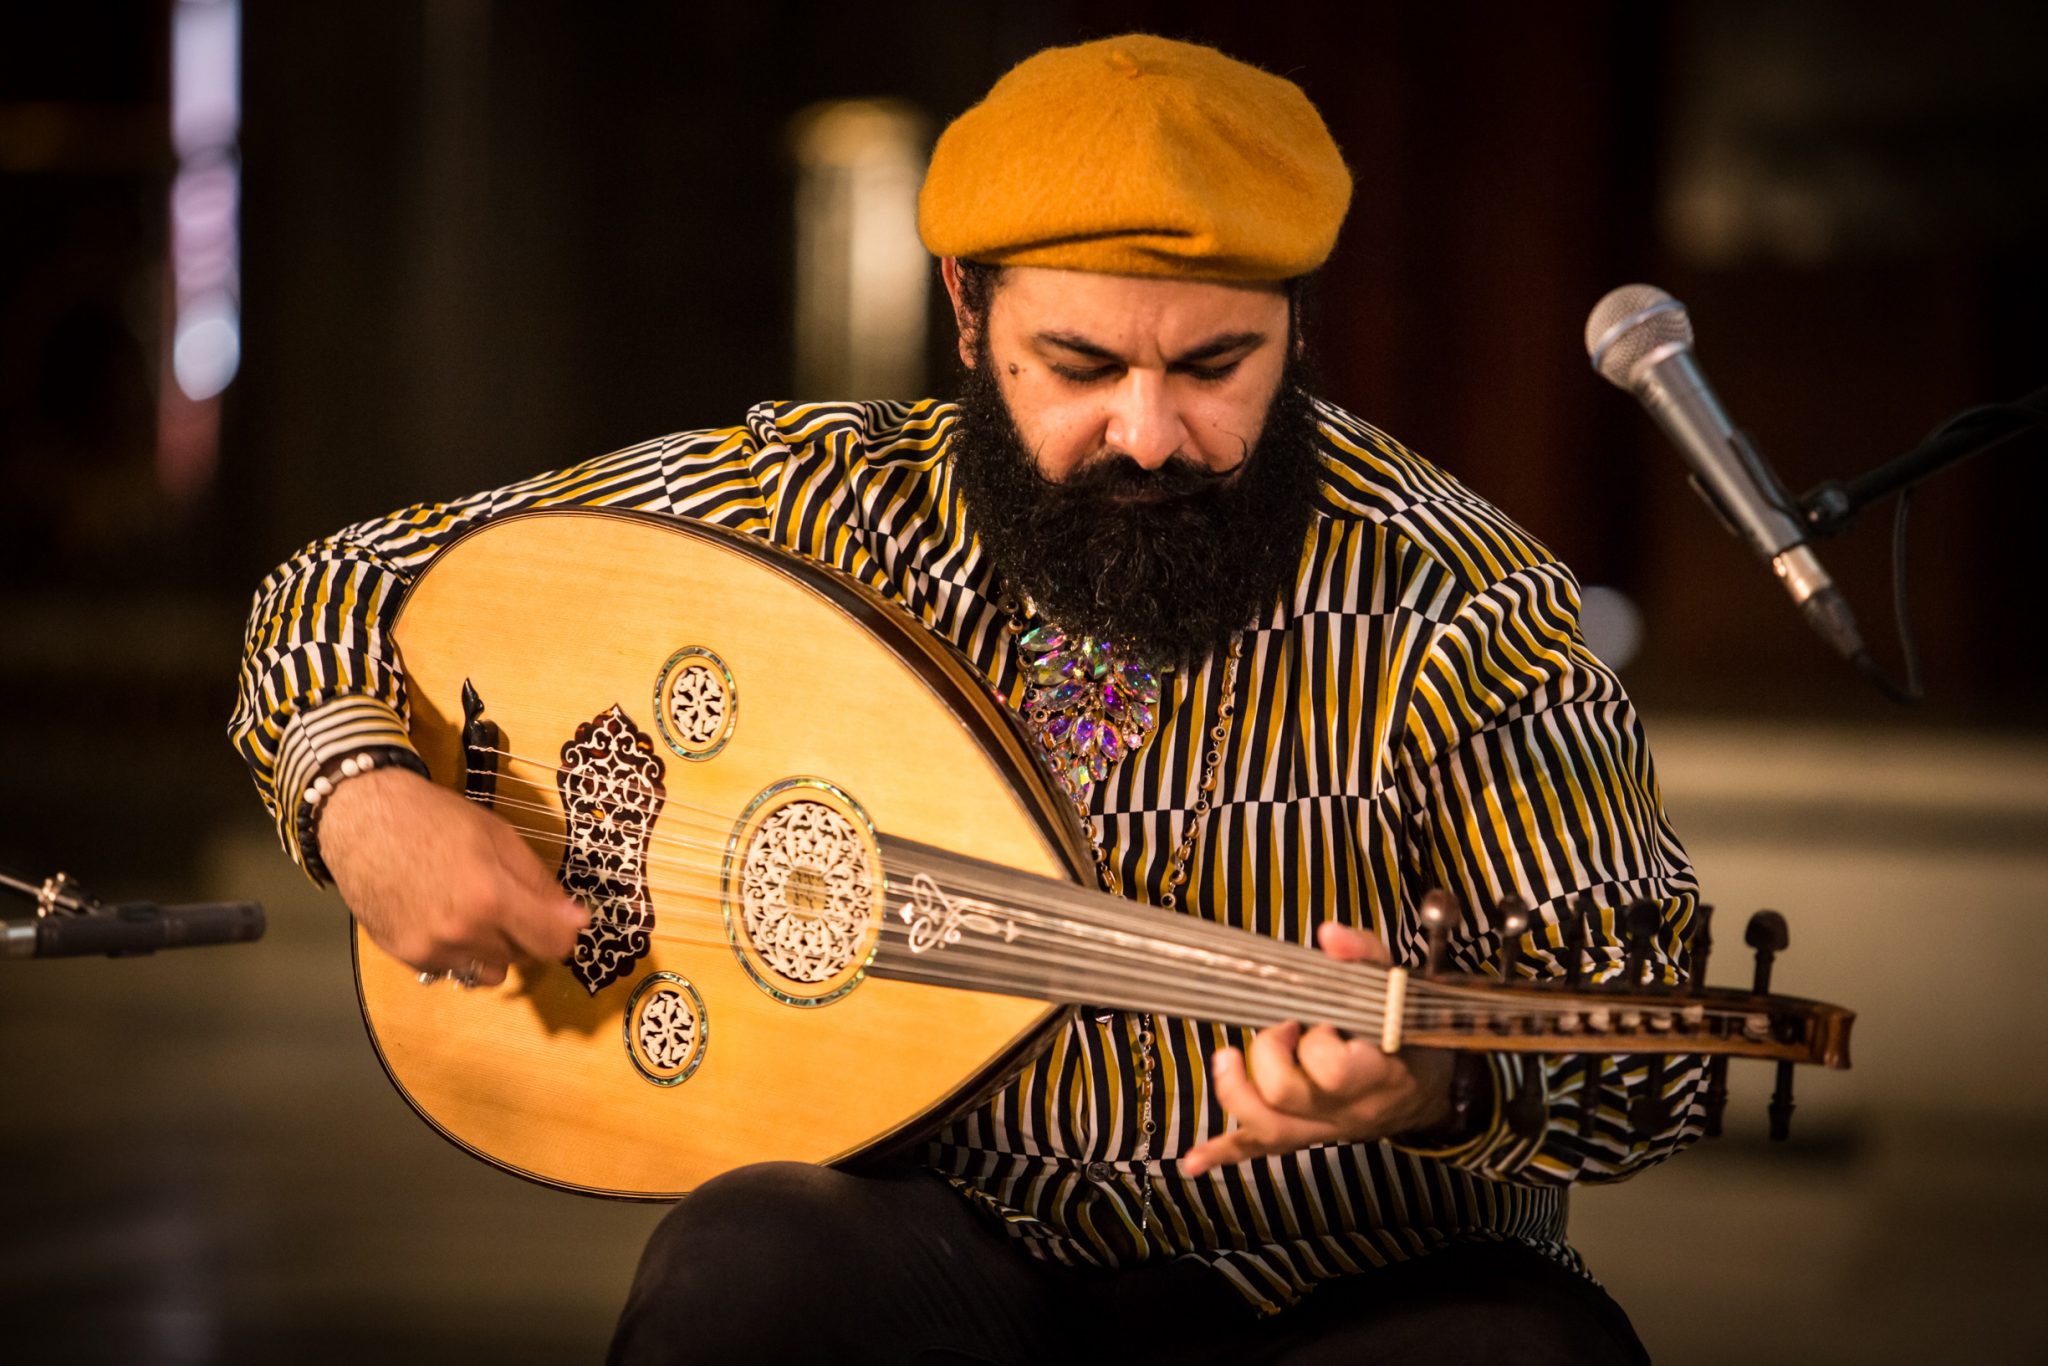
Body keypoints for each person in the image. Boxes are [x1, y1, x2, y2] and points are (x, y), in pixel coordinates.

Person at [230, 34, 1700, 1364]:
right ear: (966, 310)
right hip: (954, 1245)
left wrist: (1446, 1083)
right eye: (1078, 363)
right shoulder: (824, 499)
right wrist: (361, 790)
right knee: (741, 1276)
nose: (1148, 429)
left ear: (1297, 329)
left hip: (1354, 1276)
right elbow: (344, 585)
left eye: (1214, 364)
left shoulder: (1458, 597)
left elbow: (1651, 1048)